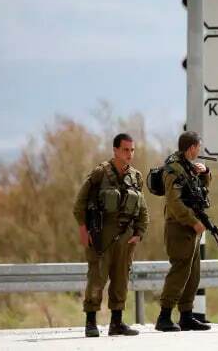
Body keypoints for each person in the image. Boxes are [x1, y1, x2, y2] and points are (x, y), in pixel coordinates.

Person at [73, 133, 150, 338]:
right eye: (125, 150)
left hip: (126, 237)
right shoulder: (100, 173)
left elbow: (142, 208)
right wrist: (83, 230)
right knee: (97, 278)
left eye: (132, 150)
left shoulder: (136, 176)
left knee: (121, 279)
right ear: (115, 150)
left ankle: (117, 323)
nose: (129, 154)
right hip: (102, 234)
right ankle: (91, 322)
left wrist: (139, 233)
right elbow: (79, 204)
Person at [155, 131, 212, 332]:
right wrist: (193, 222)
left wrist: (205, 173)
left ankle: (186, 315)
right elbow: (175, 203)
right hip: (179, 228)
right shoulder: (174, 169)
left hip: (190, 229)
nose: (199, 150)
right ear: (192, 148)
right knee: (179, 271)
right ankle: (164, 316)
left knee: (192, 273)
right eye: (198, 147)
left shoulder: (188, 167)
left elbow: (199, 192)